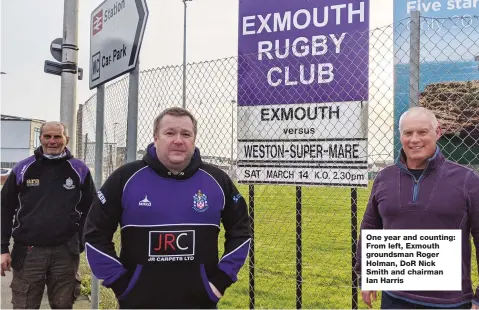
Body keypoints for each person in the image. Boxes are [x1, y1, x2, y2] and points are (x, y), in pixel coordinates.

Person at [83, 107, 252, 309]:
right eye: (170, 133)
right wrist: (122, 285)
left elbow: (241, 231)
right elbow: (95, 235)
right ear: (156, 137)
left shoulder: (218, 180)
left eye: (186, 134)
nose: (178, 140)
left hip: (200, 302)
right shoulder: (125, 178)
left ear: (194, 139)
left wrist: (219, 283)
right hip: (139, 303)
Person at [355, 107, 479, 309]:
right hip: (394, 296)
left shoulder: (466, 179)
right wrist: (368, 275)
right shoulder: (384, 177)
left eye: (422, 132)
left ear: (438, 132)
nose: (414, 140)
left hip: (449, 302)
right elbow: (370, 226)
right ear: (400, 135)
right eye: (408, 133)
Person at [1, 121, 96, 309]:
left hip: (65, 252)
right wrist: (3, 249)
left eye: (57, 136)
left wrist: (81, 240)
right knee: (24, 305)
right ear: (40, 138)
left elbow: (91, 208)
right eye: (47, 136)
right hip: (27, 251)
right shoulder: (23, 169)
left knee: (63, 304)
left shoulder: (79, 169)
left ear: (66, 139)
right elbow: (5, 208)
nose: (52, 141)